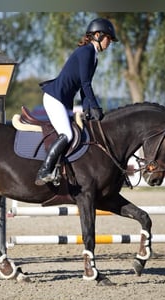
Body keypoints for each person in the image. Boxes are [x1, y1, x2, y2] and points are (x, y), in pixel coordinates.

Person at [35, 17, 118, 186]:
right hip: (54, 98)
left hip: (64, 101)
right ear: (97, 35)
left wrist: (88, 109)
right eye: (108, 38)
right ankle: (45, 170)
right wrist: (95, 106)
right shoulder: (86, 52)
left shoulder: (92, 55)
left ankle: (60, 169)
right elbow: (86, 84)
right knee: (68, 134)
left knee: (77, 134)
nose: (109, 43)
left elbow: (82, 86)